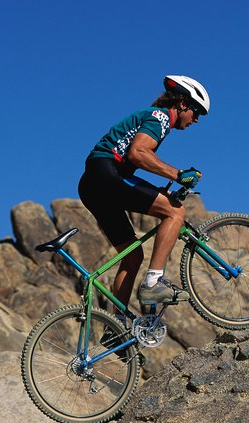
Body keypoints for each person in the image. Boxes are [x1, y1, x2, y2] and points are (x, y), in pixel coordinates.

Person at [78, 75, 210, 320]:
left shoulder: (152, 118)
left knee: (132, 255)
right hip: (106, 173)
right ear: (182, 104)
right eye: (196, 111)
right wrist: (178, 174)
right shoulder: (159, 117)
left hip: (93, 182)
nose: (197, 119)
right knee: (175, 212)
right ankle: (153, 283)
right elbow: (138, 153)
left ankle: (114, 326)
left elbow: (134, 161)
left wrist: (161, 190)